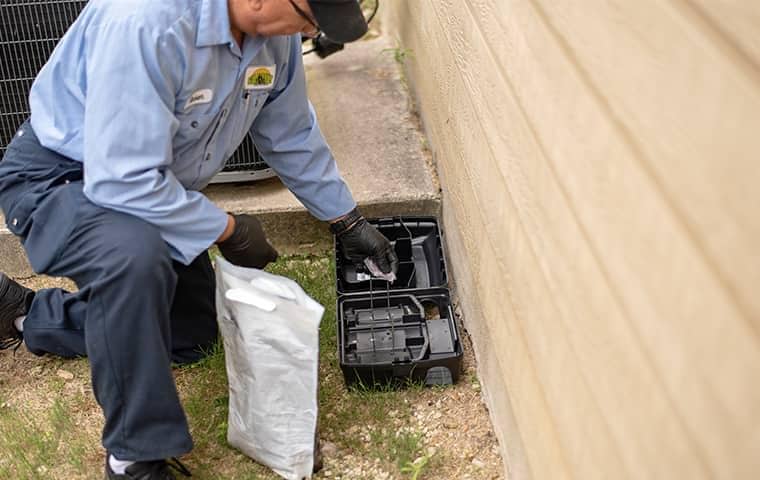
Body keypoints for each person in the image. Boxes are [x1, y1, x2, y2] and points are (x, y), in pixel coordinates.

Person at [0, 0, 399, 478]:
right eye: (310, 20)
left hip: (149, 185)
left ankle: (26, 315)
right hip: (62, 179)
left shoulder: (276, 36)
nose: (312, 33)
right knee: (133, 258)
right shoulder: (149, 22)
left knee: (190, 332)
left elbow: (290, 132)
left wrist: (346, 221)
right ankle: (132, 457)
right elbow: (120, 179)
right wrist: (226, 229)